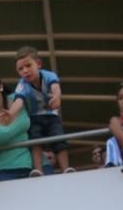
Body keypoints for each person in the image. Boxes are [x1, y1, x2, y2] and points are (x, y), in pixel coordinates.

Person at [8, 46, 74, 176]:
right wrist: (10, 114)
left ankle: (66, 169)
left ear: (38, 64)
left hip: (52, 115)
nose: (25, 71)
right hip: (34, 117)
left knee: (59, 139)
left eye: (28, 66)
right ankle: (38, 170)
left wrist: (57, 97)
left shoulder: (48, 75)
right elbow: (18, 101)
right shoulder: (22, 84)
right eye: (20, 69)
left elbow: (56, 88)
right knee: (35, 141)